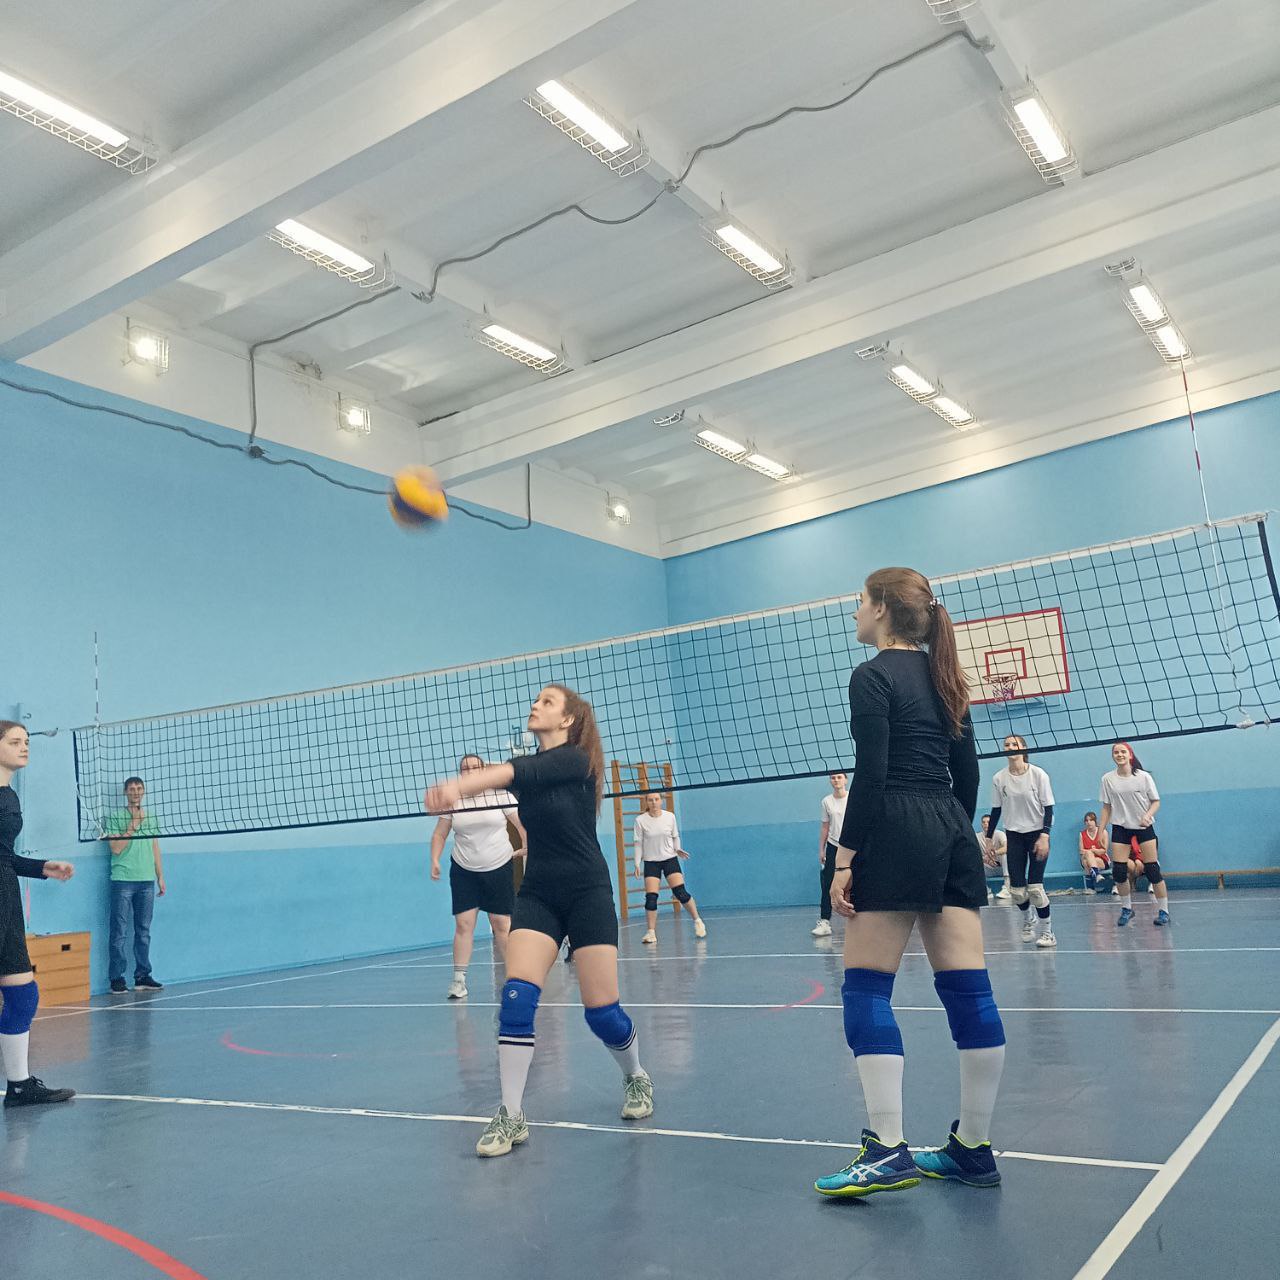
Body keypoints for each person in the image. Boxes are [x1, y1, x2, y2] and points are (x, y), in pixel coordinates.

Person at [814, 570, 1005, 1198]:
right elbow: (967, 775)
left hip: (894, 826)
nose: (854, 613)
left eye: (859, 602)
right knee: (969, 991)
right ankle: (973, 1149)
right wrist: (951, 832)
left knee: (866, 989)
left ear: (882, 610)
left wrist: (845, 860)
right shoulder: (947, 678)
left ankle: (887, 1149)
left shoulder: (871, 676)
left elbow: (870, 775)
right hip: (950, 827)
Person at [425, 684, 653, 1158]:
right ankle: (511, 1113)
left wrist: (459, 786)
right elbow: (515, 776)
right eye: (537, 699)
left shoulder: (577, 761)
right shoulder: (530, 770)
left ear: (568, 720)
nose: (536, 704)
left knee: (601, 1012)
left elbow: (519, 771)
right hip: (538, 894)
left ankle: (635, 1074)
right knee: (516, 997)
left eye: (547, 701)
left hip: (588, 892)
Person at [0, 720, 76, 1107]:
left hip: (7, 896)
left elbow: (4, 856)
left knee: (23, 995)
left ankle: (18, 1086)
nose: (24, 746)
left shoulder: (8, 795)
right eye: (15, 741)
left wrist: (43, 867)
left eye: (26, 741)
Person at [429, 754, 527, 1000]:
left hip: (498, 865)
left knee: (501, 924)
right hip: (464, 868)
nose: (470, 771)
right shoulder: (454, 799)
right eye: (465, 768)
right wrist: (435, 859)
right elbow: (440, 834)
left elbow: (521, 824)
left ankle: (514, 979)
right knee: (464, 925)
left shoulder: (500, 795)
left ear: (484, 771)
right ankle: (458, 981)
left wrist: (528, 846)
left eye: (475, 767)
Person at [987, 735, 1056, 948]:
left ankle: (1048, 932)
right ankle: (1029, 919)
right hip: (1014, 835)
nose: (1010, 747)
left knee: (1035, 888)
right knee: (1017, 891)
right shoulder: (999, 778)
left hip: (1037, 835)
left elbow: (1049, 808)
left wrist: (1045, 835)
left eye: (1014, 744)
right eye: (1006, 745)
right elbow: (996, 810)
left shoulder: (1038, 775)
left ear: (1023, 748)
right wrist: (989, 838)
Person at [104, 777, 166, 992]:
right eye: (131, 789)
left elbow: (154, 847)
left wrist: (160, 876)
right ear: (125, 792)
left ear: (144, 791)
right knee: (119, 932)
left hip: (146, 880)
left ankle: (142, 976)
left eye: (139, 788)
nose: (136, 792)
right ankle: (116, 979)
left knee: (143, 931)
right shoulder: (115, 818)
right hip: (123, 880)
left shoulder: (152, 818)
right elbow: (116, 849)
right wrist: (133, 824)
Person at [1098, 742, 1169, 927]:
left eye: (1123, 752)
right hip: (1121, 827)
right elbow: (1106, 807)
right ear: (1113, 756)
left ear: (1130, 755)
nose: (1119, 755)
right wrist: (1100, 829)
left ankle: (1164, 911)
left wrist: (1147, 815)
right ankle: (1127, 909)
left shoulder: (1143, 777)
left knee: (1152, 869)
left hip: (1143, 826)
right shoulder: (1107, 779)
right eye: (1116, 752)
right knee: (1119, 871)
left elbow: (1156, 801)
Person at [633, 792, 705, 944]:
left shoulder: (669, 817)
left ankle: (698, 921)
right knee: (651, 898)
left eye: (656, 799)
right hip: (651, 862)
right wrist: (637, 863)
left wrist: (677, 849)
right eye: (650, 800)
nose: (654, 802)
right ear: (646, 802)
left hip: (670, 859)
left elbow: (675, 836)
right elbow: (638, 843)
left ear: (661, 801)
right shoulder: (640, 820)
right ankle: (651, 933)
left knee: (681, 893)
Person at [813, 772, 848, 937]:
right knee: (827, 883)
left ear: (845, 780)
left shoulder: (853, 798)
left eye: (839, 777)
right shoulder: (826, 801)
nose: (836, 780)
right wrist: (821, 849)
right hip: (834, 845)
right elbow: (825, 827)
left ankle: (863, 919)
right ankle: (825, 921)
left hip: (852, 846)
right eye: (833, 778)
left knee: (861, 882)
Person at [978, 814, 1010, 902]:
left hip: (1002, 868)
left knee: (1005, 855)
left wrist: (992, 854)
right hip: (989, 868)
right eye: (984, 822)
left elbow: (1007, 847)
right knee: (974, 861)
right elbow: (972, 853)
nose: (986, 824)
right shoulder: (978, 837)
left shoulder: (1000, 834)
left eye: (988, 822)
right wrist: (985, 859)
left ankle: (1007, 888)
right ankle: (985, 890)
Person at [1079, 812, 1110, 893]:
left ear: (1095, 821)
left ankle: (1090, 888)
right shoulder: (1082, 834)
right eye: (1086, 820)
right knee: (1087, 855)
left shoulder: (1103, 832)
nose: (1089, 822)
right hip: (1087, 857)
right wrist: (1092, 852)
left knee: (1086, 862)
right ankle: (1097, 874)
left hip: (1102, 859)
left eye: (1091, 820)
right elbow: (1081, 851)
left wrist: (1093, 851)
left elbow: (1104, 850)